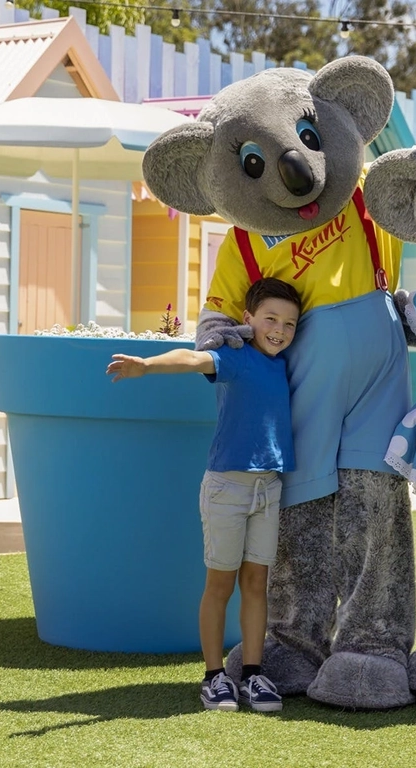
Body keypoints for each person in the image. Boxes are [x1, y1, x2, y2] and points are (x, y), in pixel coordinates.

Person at [106, 277, 301, 713]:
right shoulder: (236, 358)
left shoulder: (284, 365)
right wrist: (148, 365)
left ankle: (252, 673)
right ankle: (214, 676)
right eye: (270, 319)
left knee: (256, 584)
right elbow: (193, 358)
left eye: (290, 323)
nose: (280, 330)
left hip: (268, 489)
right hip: (227, 489)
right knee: (220, 584)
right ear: (248, 320)